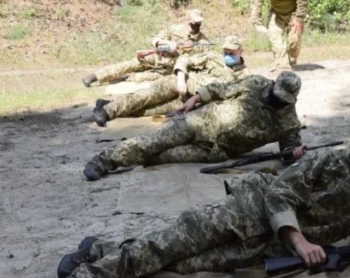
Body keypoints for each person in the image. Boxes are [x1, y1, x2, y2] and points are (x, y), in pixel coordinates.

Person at [59, 123, 350, 278]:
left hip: (272, 249)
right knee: (174, 242)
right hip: (249, 210)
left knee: (187, 265)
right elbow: (279, 193)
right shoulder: (327, 162)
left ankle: (100, 249)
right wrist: (301, 241)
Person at [82, 71, 305, 181]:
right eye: (277, 96)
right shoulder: (256, 84)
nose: (278, 102)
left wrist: (293, 154)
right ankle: (104, 160)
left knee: (160, 157)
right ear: (273, 84)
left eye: (284, 100)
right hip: (197, 123)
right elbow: (219, 89)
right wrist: (194, 99)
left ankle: (125, 151)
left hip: (214, 151)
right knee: (153, 143)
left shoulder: (289, 121)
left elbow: (288, 151)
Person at [91, 36, 249, 127]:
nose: (227, 54)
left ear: (241, 51)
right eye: (225, 51)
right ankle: (107, 111)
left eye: (231, 52)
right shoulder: (213, 57)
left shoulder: (244, 75)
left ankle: (108, 103)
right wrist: (180, 77)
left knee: (148, 111)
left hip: (191, 100)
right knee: (147, 96)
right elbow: (185, 58)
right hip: (180, 82)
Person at [81, 9, 213, 87]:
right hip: (158, 57)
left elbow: (204, 62)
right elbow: (155, 39)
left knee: (141, 79)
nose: (196, 25)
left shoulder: (203, 42)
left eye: (198, 23)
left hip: (169, 70)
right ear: (188, 20)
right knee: (130, 64)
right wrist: (168, 44)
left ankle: (122, 78)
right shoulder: (174, 29)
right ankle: (95, 77)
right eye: (194, 22)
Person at [250, 0, 308, 72]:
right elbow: (257, 0)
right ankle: (282, 66)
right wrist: (257, 22)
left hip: (293, 14)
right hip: (276, 14)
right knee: (276, 41)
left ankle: (291, 61)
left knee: (294, 41)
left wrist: (299, 18)